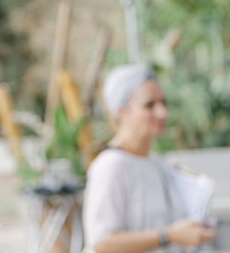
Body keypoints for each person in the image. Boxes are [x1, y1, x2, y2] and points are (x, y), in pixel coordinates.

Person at [83, 63, 217, 252]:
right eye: (149, 105)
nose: (162, 112)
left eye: (163, 103)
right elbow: (102, 243)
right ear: (122, 111)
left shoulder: (156, 162)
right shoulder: (111, 166)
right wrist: (168, 235)